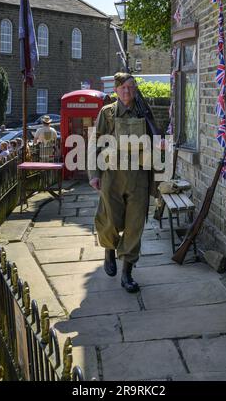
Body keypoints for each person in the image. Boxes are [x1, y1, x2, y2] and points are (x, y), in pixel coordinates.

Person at [88, 72, 157, 293]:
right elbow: (95, 144)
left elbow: (156, 140)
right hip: (112, 175)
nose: (127, 91)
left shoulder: (144, 112)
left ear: (135, 89)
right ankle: (109, 248)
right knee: (109, 219)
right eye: (122, 88)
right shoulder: (106, 114)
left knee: (135, 225)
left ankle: (127, 272)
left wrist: (161, 147)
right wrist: (94, 174)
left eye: (130, 87)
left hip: (138, 176)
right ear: (116, 91)